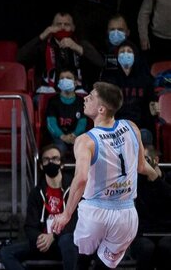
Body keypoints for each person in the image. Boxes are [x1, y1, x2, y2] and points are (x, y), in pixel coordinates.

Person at [51, 82, 158, 269]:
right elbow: (142, 167)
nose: (84, 98)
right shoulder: (132, 127)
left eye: (90, 97)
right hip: (126, 214)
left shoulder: (85, 141)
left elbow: (82, 178)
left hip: (96, 212)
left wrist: (66, 214)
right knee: (104, 266)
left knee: (81, 260)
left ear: (101, 109)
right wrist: (157, 175)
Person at [0, 145, 78, 270]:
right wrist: (40, 238)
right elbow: (30, 226)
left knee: (68, 240)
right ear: (41, 166)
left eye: (54, 158)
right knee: (6, 252)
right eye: (46, 160)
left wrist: (53, 236)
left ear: (61, 164)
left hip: (65, 241)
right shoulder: (36, 193)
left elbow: (76, 222)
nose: (50, 162)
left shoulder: (73, 190)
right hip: (43, 243)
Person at [17, 11, 103, 94]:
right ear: (51, 27)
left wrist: (76, 47)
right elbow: (19, 58)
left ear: (73, 27)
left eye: (66, 24)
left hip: (78, 92)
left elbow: (100, 63)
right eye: (58, 24)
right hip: (46, 91)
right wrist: (42, 36)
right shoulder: (43, 44)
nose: (62, 27)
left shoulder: (81, 43)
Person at [99, 41, 156, 144]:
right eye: (122, 52)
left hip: (140, 127)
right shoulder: (109, 78)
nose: (125, 54)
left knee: (145, 135)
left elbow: (151, 103)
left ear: (135, 55)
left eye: (129, 51)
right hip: (116, 127)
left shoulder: (144, 78)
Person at [129, 145, 171, 270]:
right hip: (143, 233)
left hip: (167, 232)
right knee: (147, 248)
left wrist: (155, 178)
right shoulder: (137, 181)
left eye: (145, 159)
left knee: (166, 246)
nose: (142, 163)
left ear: (156, 160)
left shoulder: (168, 178)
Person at [45, 69, 88, 158]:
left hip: (76, 137)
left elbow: (82, 123)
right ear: (58, 83)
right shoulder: (53, 101)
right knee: (58, 149)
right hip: (58, 138)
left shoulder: (81, 102)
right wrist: (62, 136)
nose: (65, 80)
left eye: (68, 78)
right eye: (62, 78)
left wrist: (74, 135)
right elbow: (51, 124)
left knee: (83, 149)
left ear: (75, 82)